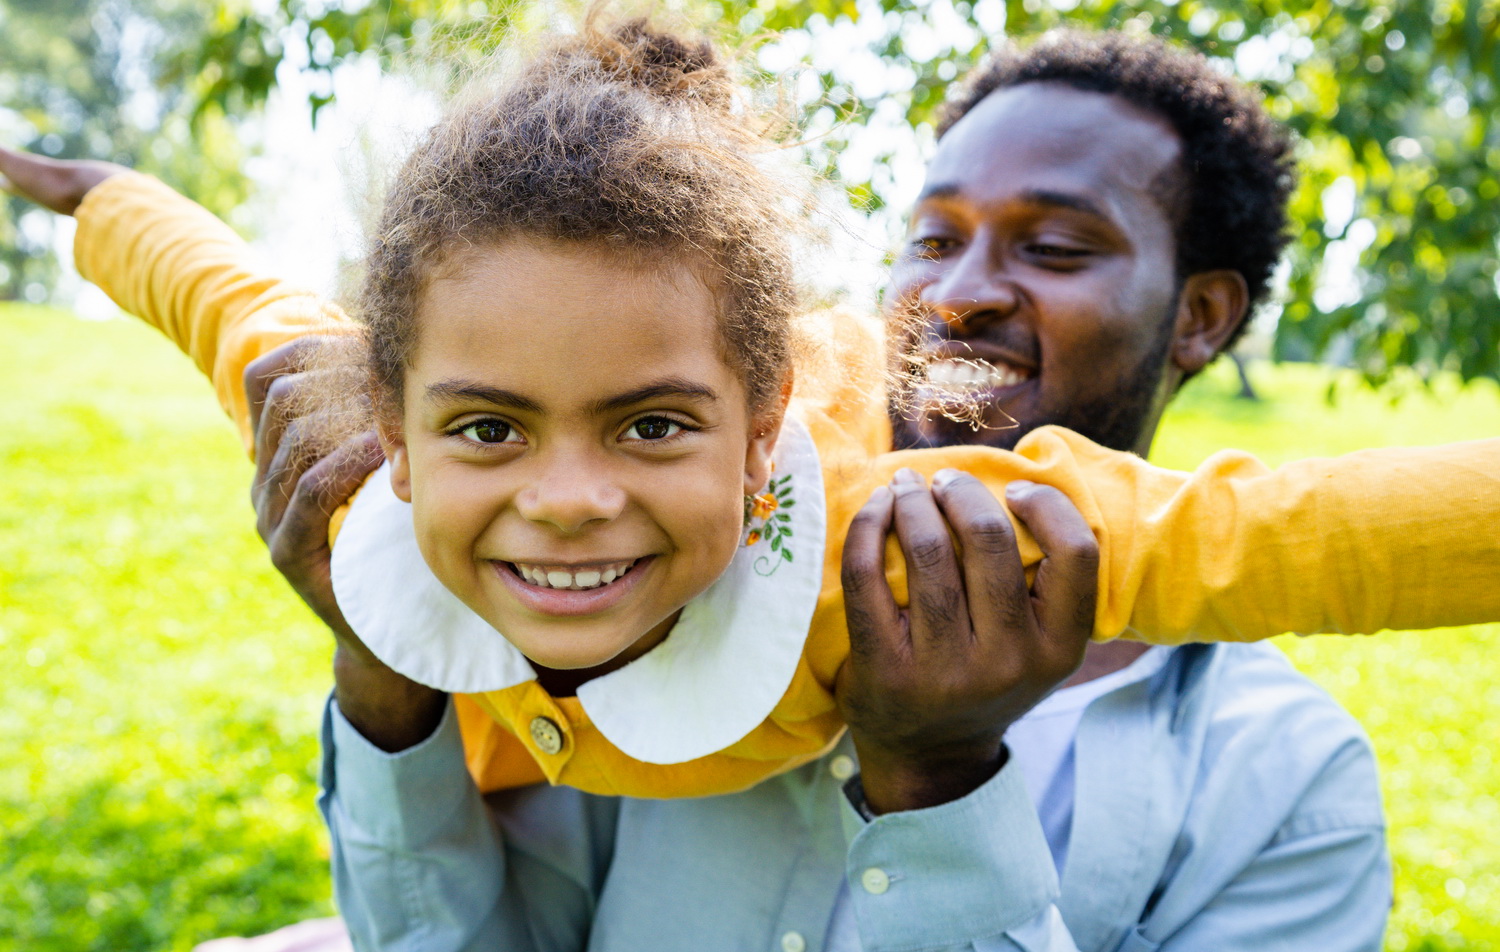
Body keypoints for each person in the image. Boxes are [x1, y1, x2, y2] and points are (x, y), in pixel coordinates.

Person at [2, 23, 1498, 806]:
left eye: (650, 427)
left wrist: (932, 773)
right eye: (488, 430)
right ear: (397, 425)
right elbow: (234, 302)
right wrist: (101, 197)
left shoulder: (901, 559)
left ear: (760, 416)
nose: (569, 497)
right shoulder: (362, 481)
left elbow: (1302, 537)